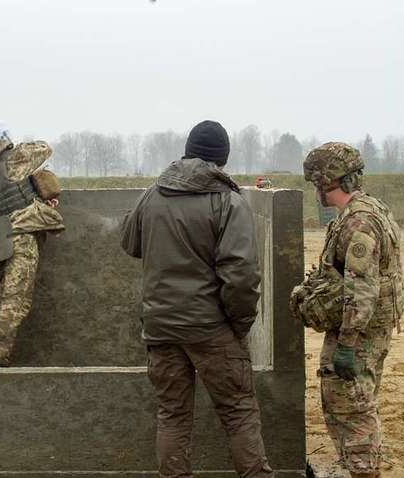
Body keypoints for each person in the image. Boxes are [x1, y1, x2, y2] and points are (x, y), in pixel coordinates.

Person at [121, 120, 275, 478]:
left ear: (187, 151)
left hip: (160, 329)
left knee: (172, 416)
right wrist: (238, 326)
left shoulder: (153, 194)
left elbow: (130, 242)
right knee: (238, 413)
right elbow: (241, 276)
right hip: (211, 328)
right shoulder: (228, 201)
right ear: (222, 159)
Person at [299, 142, 404, 478]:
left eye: (316, 182)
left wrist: (345, 345)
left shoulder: (359, 222)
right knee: (359, 401)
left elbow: (362, 289)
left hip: (357, 333)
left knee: (350, 407)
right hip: (369, 329)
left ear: (326, 181)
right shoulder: (372, 209)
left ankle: (363, 472)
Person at [0, 118, 64, 367]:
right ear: (3, 137)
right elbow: (44, 148)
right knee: (16, 300)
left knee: (6, 297)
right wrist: (14, 146)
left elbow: (5, 193)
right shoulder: (14, 158)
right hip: (20, 237)